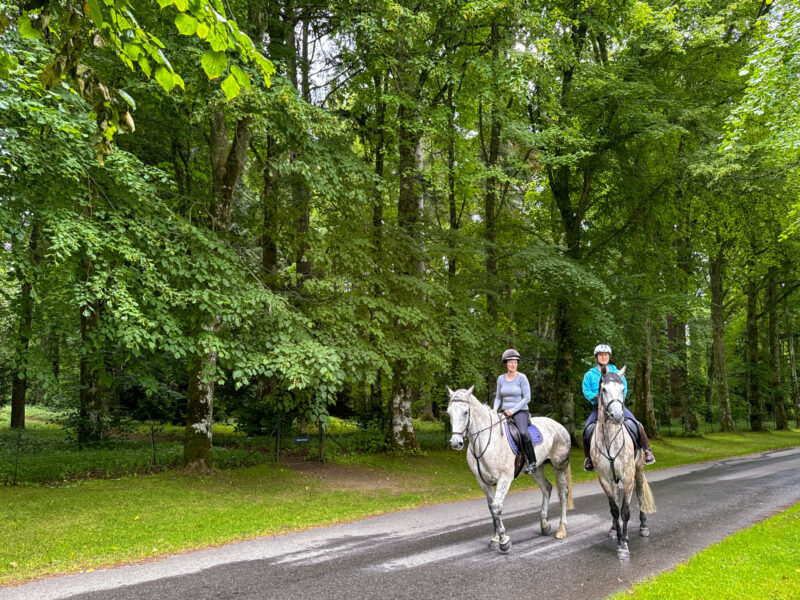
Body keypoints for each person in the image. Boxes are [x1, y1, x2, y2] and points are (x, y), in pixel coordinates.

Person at [581, 344, 656, 471]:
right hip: (598, 407)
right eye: (601, 355)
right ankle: (589, 458)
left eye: (606, 355)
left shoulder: (617, 373)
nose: (603, 357)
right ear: (597, 357)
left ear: (609, 357)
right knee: (587, 430)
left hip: (615, 406)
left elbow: (624, 388)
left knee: (637, 424)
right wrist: (595, 397)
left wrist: (617, 401)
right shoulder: (590, 375)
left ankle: (647, 451)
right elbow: (586, 390)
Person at [494, 348, 537, 474]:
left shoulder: (521, 378)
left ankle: (532, 461)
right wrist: (494, 410)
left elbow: (527, 398)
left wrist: (513, 410)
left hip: (520, 411)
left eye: (515, 362)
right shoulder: (501, 379)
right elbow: (498, 397)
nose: (513, 364)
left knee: (523, 433)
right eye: (510, 362)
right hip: (504, 411)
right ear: (506, 363)